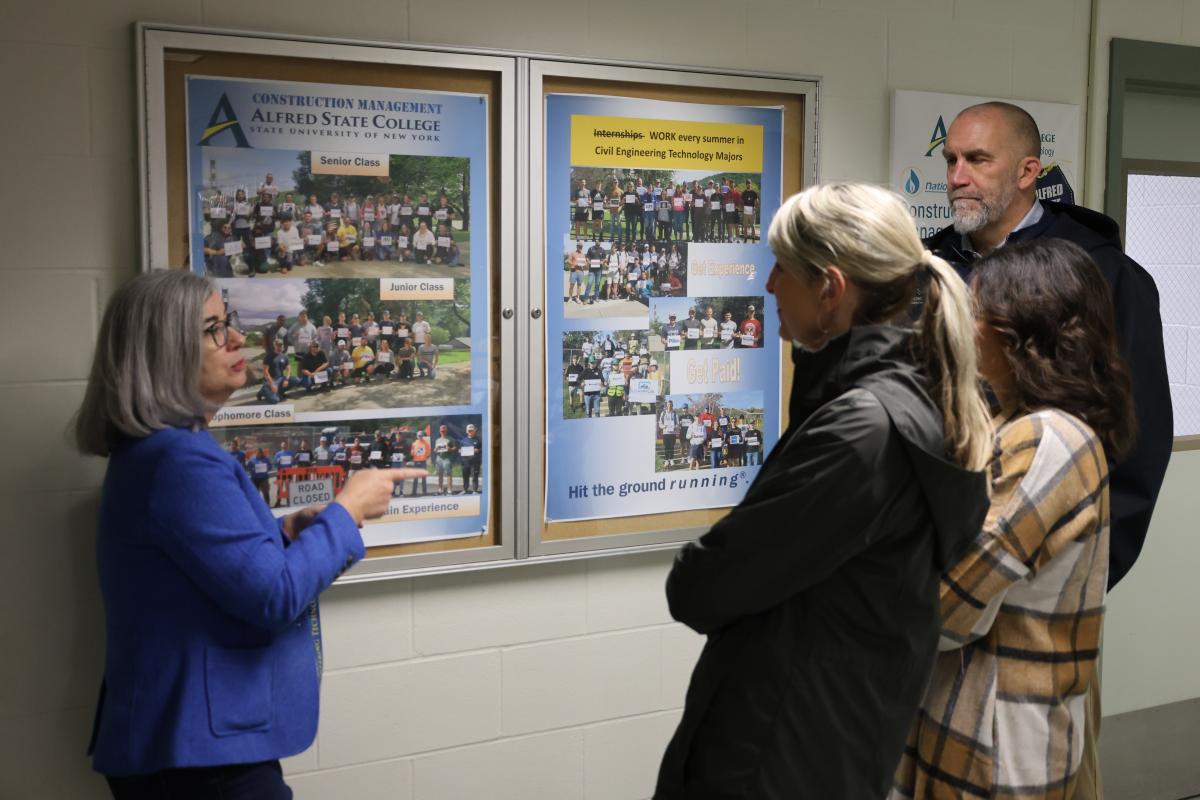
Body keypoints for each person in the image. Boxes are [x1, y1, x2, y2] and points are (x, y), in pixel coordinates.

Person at [654, 183, 992, 799]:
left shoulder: (862, 430)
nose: (768, 285)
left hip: (780, 758)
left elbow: (701, 587)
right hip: (822, 740)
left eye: (781, 267)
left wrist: (706, 559)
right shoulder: (909, 400)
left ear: (830, 289)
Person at [74, 270, 422, 797]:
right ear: (165, 351)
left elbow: (196, 568)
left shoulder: (156, 453)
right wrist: (346, 511)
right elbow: (273, 595)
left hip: (185, 744)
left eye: (229, 322)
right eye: (213, 328)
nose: (237, 339)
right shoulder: (178, 460)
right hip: (198, 756)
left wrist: (288, 532)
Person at [890, 239, 1136, 800]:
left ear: (1021, 329)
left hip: (996, 759)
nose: (964, 327)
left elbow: (947, 610)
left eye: (975, 313)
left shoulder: (1050, 439)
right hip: (962, 736)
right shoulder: (1011, 422)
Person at [926, 101, 1170, 593]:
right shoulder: (930, 269)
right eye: (951, 160)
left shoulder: (1101, 276)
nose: (957, 176)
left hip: (1048, 569)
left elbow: (1138, 435)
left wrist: (1085, 568)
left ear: (1027, 171)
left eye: (977, 160)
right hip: (936, 562)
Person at [459, 423, 482, 494]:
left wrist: (478, 450)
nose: (470, 432)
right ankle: (465, 490)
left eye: (472, 430)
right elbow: (460, 449)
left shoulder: (478, 440)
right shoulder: (463, 440)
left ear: (474, 431)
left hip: (475, 462)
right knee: (465, 476)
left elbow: (482, 449)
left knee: (475, 476)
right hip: (465, 462)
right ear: (466, 431)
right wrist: (459, 451)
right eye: (469, 430)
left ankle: (475, 490)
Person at [433, 424, 456, 495]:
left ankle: (449, 490)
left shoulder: (450, 439)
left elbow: (455, 448)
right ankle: (440, 489)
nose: (443, 432)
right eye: (441, 431)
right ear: (440, 431)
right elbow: (435, 450)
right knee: (440, 474)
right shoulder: (437, 440)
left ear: (446, 431)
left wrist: (449, 449)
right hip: (439, 458)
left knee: (448, 474)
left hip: (447, 458)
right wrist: (435, 450)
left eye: (444, 431)